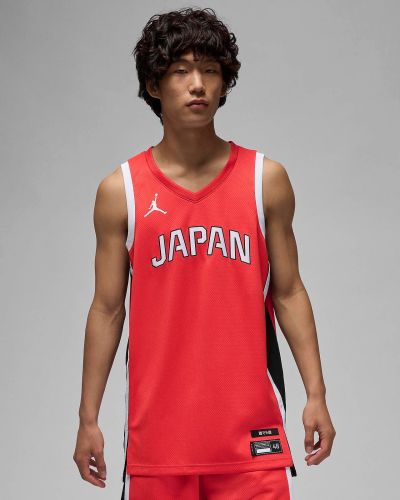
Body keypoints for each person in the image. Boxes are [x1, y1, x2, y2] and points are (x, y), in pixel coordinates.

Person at [73, 7, 336, 499]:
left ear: (224, 82)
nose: (197, 85)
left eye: (210, 70)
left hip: (252, 442)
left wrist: (316, 393)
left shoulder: (264, 180)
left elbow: (289, 292)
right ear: (154, 85)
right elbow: (107, 310)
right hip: (158, 446)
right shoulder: (121, 191)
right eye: (180, 71)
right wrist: (88, 418)